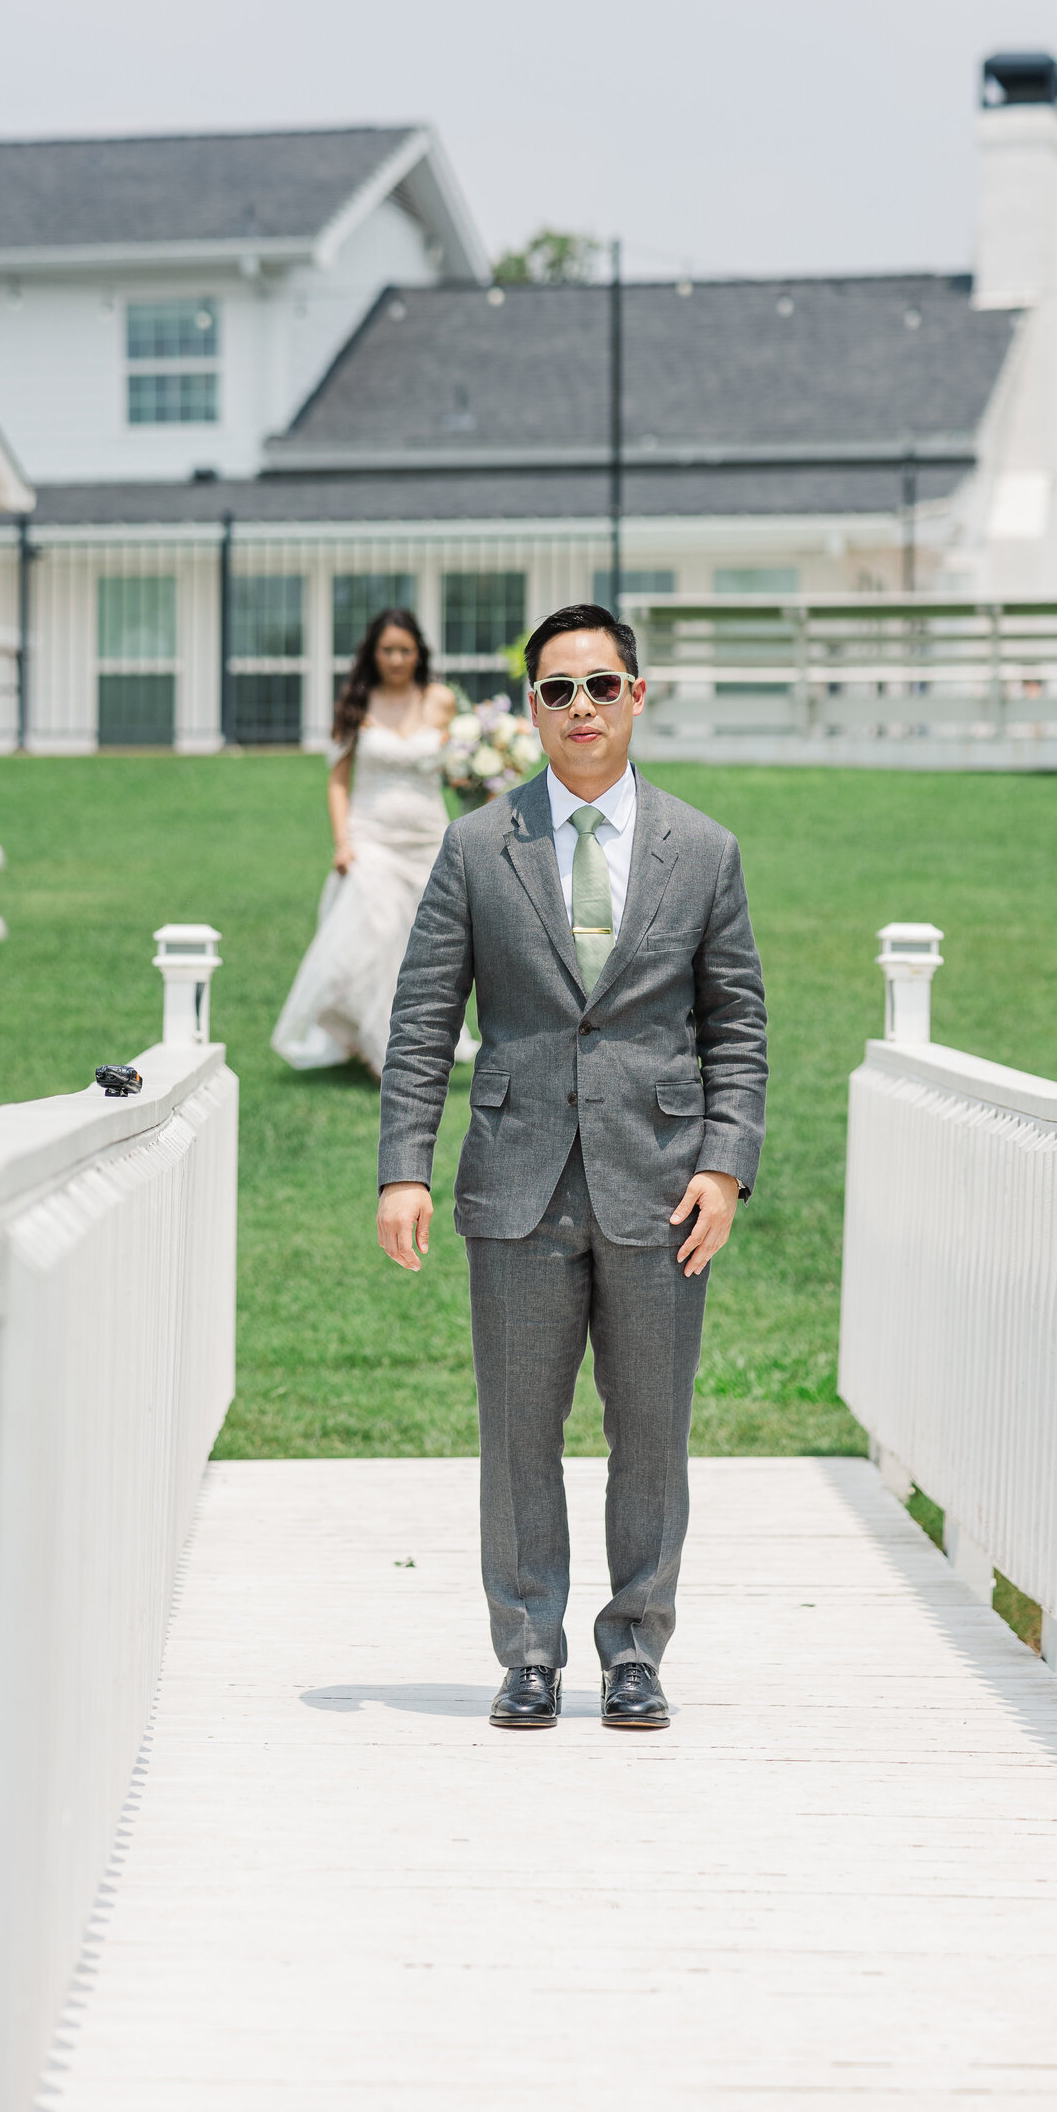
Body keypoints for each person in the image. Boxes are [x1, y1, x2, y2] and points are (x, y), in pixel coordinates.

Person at [376, 602, 768, 1732]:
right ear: (532, 710)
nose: (581, 708)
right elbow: (419, 1021)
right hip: (517, 1179)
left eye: (601, 686)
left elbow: (735, 1023)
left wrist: (726, 1166)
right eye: (557, 690)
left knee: (650, 1433)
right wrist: (406, 1164)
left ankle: (636, 1648)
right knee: (518, 1433)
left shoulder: (702, 852)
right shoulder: (474, 848)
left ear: (637, 697)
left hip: (662, 1183)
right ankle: (530, 1650)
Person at [271, 608, 464, 1079]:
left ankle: (413, 1037)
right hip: (370, 837)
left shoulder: (440, 700)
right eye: (387, 650)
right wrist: (343, 843)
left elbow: (460, 770)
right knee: (375, 935)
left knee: (419, 947)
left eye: (404, 649)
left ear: (418, 652)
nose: (396, 658)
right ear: (372, 654)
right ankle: (382, 1050)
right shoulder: (356, 701)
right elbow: (339, 781)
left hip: (426, 839)